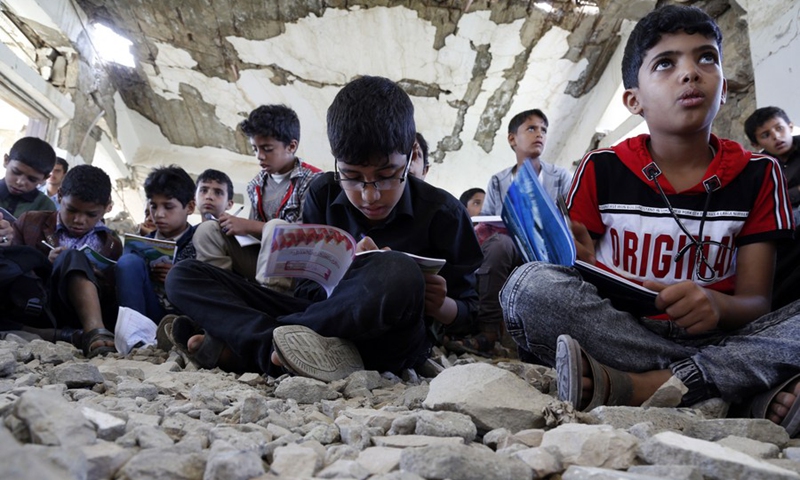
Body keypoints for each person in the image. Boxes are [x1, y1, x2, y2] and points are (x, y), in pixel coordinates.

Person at [500, 5, 800, 437]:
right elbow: (575, 276)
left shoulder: (759, 173)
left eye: (706, 58)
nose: (690, 73)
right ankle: (740, 388)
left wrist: (716, 305)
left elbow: (756, 303)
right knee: (528, 286)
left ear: (724, 87)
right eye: (665, 63)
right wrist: (575, 261)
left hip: (721, 337)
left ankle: (640, 385)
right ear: (633, 100)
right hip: (622, 333)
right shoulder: (602, 168)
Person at [164, 75, 482, 381]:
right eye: (352, 177)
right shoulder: (323, 192)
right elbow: (305, 290)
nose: (370, 195)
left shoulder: (444, 212)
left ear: (411, 154)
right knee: (185, 275)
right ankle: (280, 348)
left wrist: (443, 306)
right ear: (336, 163)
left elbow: (472, 311)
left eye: (387, 175)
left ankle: (256, 344)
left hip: (389, 338)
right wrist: (343, 273)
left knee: (396, 270)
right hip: (317, 314)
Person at [447, 109, 571, 355]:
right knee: (498, 245)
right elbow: (488, 223)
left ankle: (547, 338)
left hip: (549, 246)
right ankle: (489, 331)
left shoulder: (560, 177)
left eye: (544, 130)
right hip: (511, 244)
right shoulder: (498, 180)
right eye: (531, 128)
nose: (540, 134)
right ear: (512, 139)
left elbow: (571, 219)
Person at [192, 105, 322, 281]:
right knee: (208, 230)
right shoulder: (256, 185)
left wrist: (250, 226)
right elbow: (255, 235)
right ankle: (222, 293)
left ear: (291, 146)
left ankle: (272, 297)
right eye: (255, 149)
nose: (259, 156)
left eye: (267, 149)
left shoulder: (315, 181)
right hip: (262, 263)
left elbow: (311, 236)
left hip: (299, 268)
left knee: (277, 226)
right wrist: (233, 225)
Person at [7, 164, 121, 357]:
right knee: (71, 256)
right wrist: (45, 262)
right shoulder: (30, 222)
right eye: (72, 210)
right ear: (60, 197)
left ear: (106, 208)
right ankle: (89, 333)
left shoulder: (111, 244)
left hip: (76, 313)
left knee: (73, 257)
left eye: (91, 214)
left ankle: (94, 330)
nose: (79, 220)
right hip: (38, 305)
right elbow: (12, 267)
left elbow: (112, 295)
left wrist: (94, 277)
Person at [115, 165, 197, 323]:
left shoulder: (201, 240)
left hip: (186, 320)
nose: (158, 214)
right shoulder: (139, 244)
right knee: (128, 262)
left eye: (168, 206)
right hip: (147, 312)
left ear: (190, 207)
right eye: (153, 206)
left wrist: (179, 277)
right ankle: (134, 335)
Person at [1, 137, 57, 219]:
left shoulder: (45, 207)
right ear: (6, 161)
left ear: (44, 178)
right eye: (16, 172)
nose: (20, 182)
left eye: (32, 179)